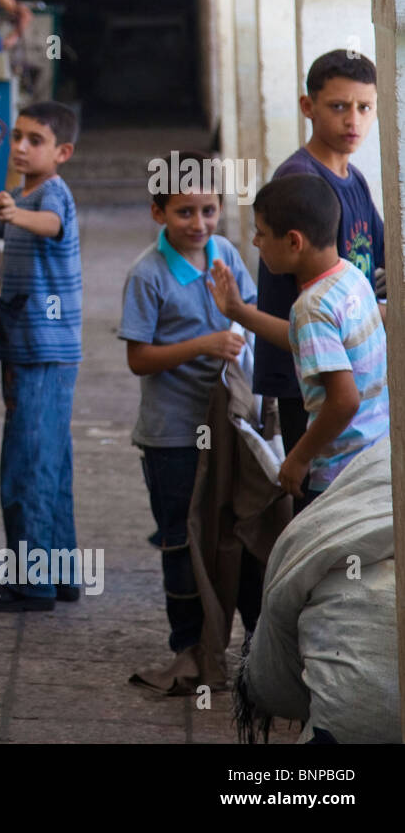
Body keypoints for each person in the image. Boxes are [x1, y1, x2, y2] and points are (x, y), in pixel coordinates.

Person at [118, 156, 261, 680]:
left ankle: (245, 644)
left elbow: (247, 309)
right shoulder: (147, 274)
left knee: (235, 530)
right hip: (172, 432)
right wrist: (203, 343)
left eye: (208, 210)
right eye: (184, 212)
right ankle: (188, 645)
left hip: (229, 423)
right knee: (179, 538)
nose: (198, 224)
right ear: (158, 213)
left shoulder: (224, 252)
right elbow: (138, 359)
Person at [252, 50, 386, 509]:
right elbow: (316, 311)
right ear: (308, 107)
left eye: (364, 108)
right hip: (310, 381)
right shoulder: (300, 183)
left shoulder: (357, 180)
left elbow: (381, 268)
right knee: (316, 501)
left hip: (345, 378)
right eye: (338, 106)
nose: (354, 121)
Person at [210, 174, 388, 503]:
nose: (255, 243)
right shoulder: (350, 276)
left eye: (261, 234)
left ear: (294, 242)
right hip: (374, 453)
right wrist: (237, 310)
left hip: (338, 473)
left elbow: (343, 401)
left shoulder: (312, 307)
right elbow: (303, 340)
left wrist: (298, 458)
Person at [0, 102, 83, 611]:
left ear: (62, 152)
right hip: (30, 348)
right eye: (17, 136)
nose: (20, 147)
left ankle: (29, 583)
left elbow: (52, 224)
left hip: (44, 350)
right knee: (49, 466)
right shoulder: (17, 195)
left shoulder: (49, 196)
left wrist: (16, 214)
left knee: (26, 469)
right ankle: (59, 574)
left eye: (35, 139)